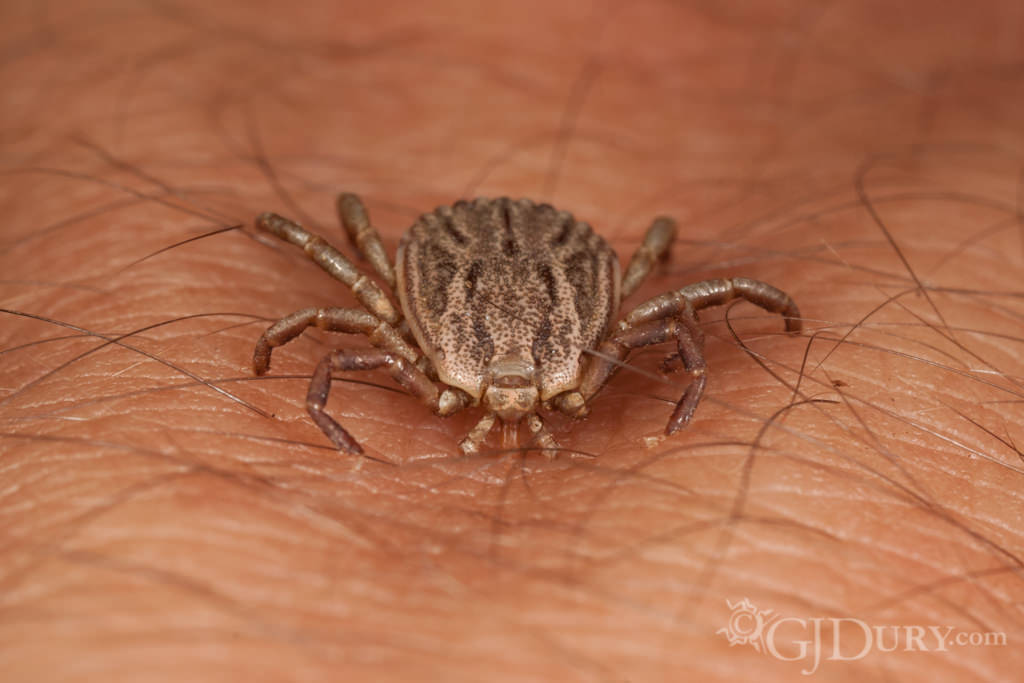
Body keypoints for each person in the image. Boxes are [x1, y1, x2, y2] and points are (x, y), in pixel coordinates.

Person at [2, 1, 1020, 679]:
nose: (512, 399)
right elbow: (313, 331)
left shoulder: (562, 337)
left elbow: (311, 329)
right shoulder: (550, 339)